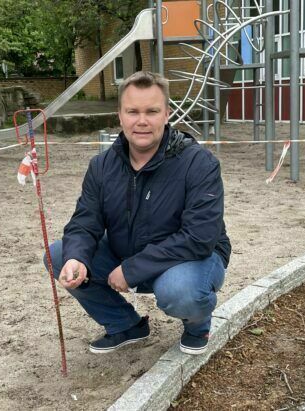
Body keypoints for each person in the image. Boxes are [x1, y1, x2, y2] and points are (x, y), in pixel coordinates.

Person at [44, 71, 231, 355]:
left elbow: (199, 237)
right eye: (132, 111)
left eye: (151, 111)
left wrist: (131, 270)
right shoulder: (101, 166)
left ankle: (198, 326)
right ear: (120, 116)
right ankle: (126, 325)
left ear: (167, 114)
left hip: (190, 260)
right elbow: (85, 221)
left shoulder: (199, 163)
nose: (141, 121)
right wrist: (76, 257)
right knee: (59, 256)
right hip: (127, 251)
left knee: (181, 291)